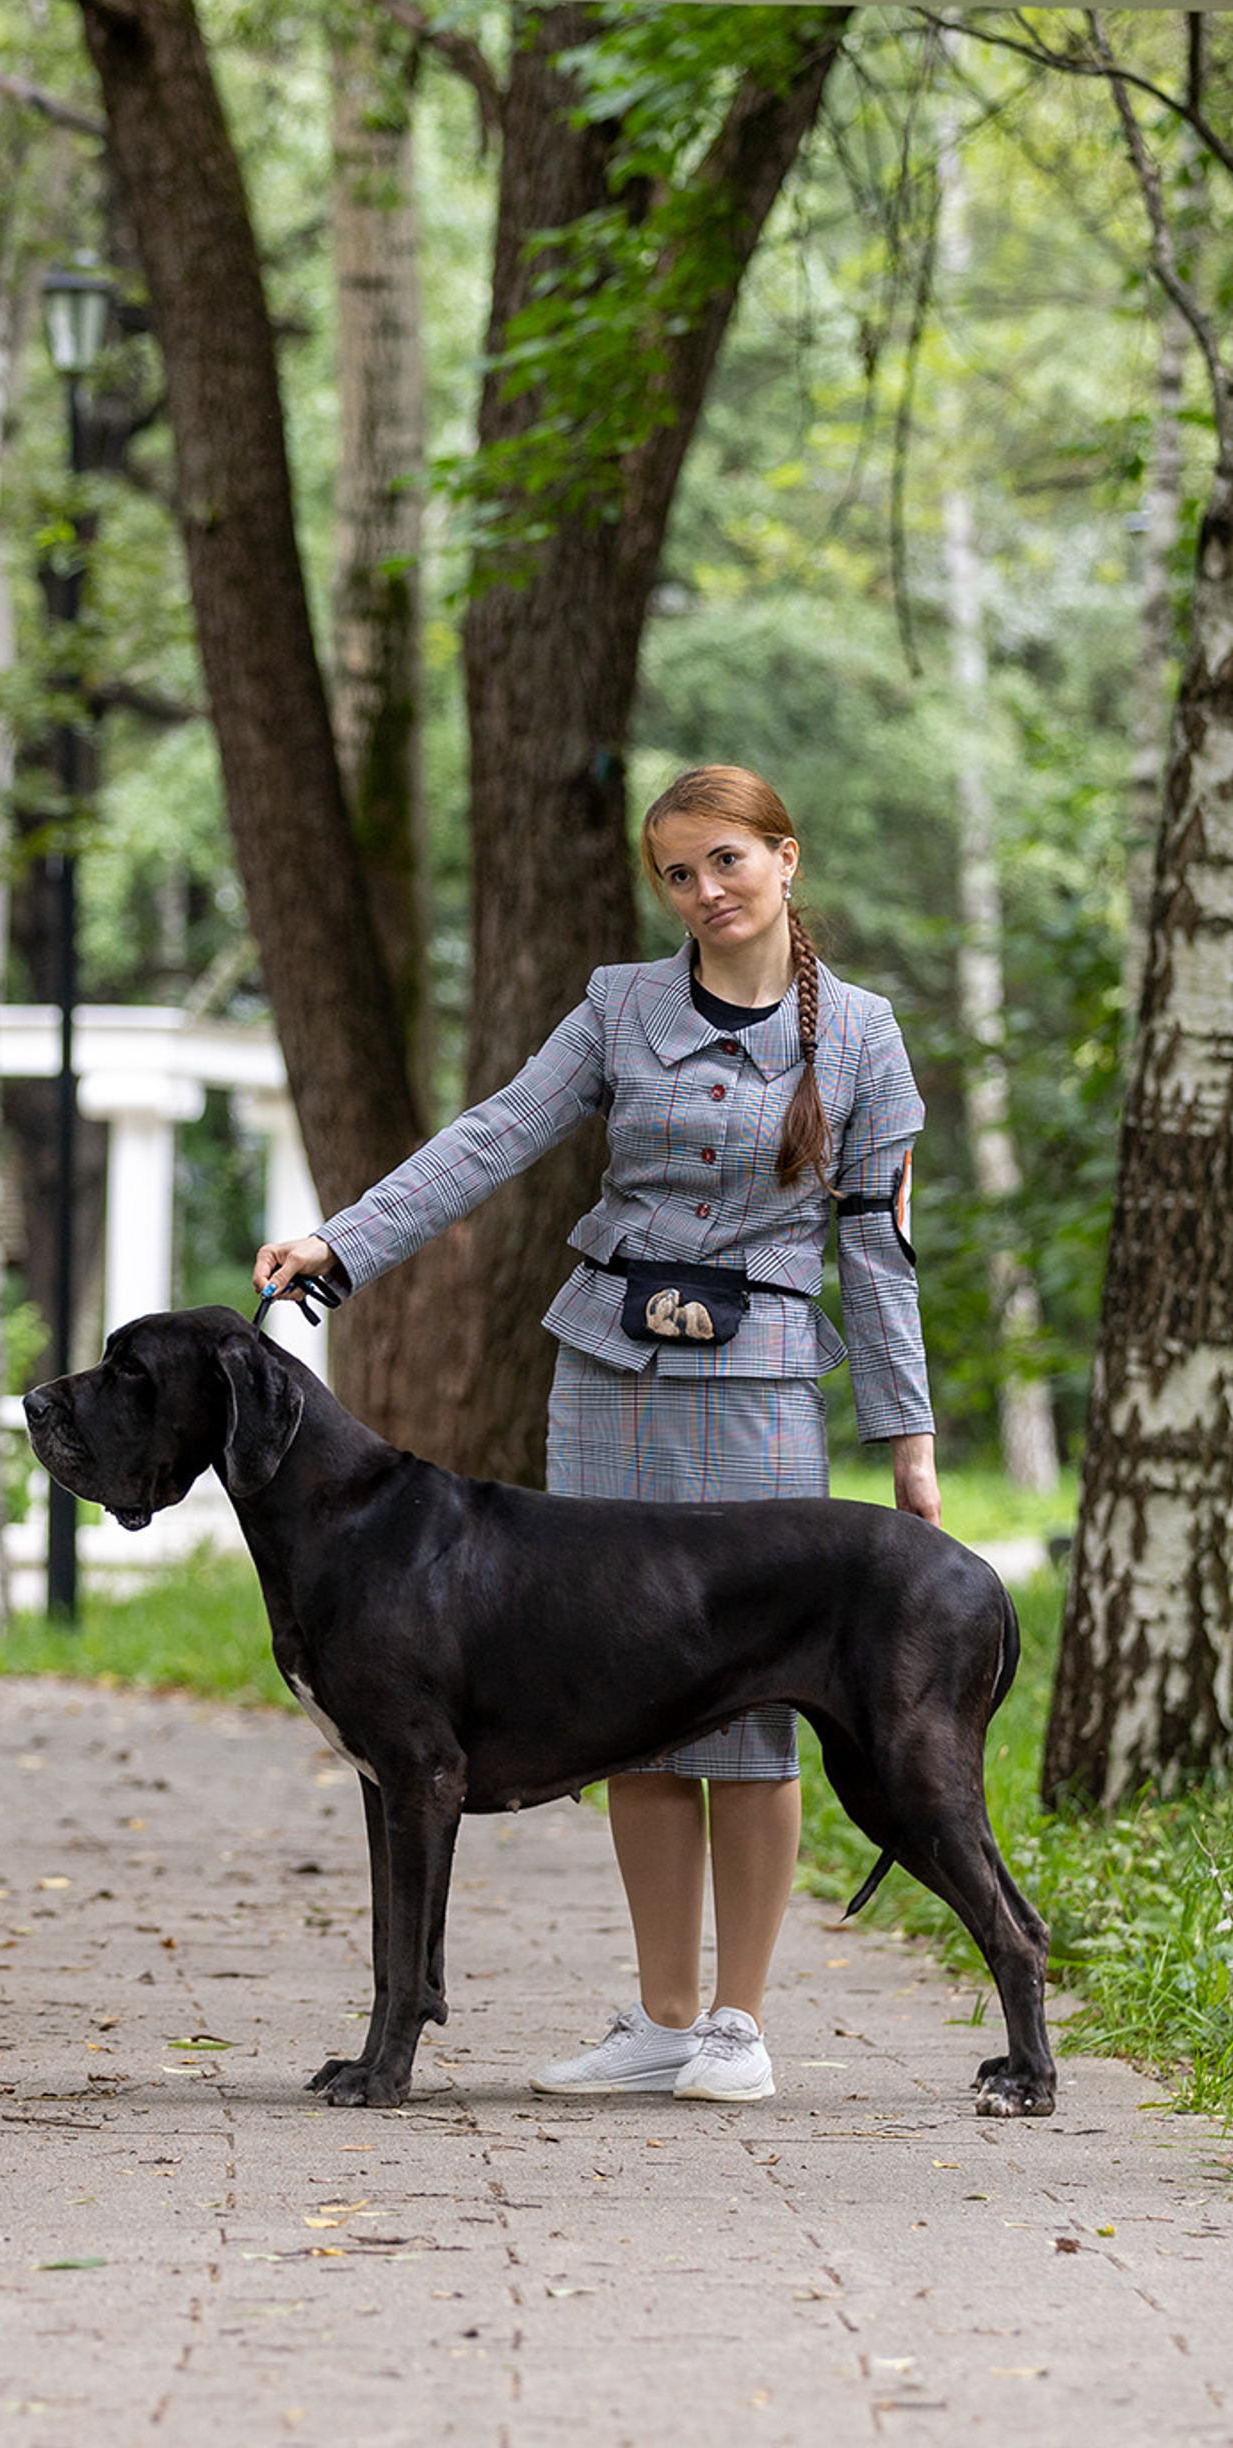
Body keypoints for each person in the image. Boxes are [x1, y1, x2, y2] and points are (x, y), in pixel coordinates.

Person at [253, 763, 940, 2105]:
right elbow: (495, 1137)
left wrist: (905, 1439)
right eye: (678, 874)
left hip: (763, 1386)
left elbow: (883, 1248)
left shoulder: (860, 1037)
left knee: (753, 1714)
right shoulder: (618, 1007)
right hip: (610, 1378)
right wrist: (348, 1241)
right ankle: (662, 2020)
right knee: (627, 1703)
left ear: (786, 859)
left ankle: (739, 2025)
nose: (706, 893)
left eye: (729, 861)